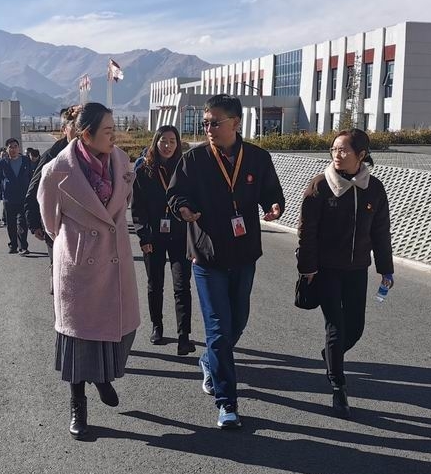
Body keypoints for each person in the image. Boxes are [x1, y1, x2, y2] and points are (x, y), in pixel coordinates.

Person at [167, 94, 284, 430]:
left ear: (235, 123)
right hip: (207, 255)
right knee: (218, 329)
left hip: (244, 254)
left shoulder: (258, 158)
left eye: (214, 122)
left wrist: (274, 206)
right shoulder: (194, 159)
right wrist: (183, 208)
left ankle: (210, 361)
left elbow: (271, 193)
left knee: (237, 322)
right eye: (205, 122)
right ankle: (227, 402)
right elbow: (175, 194)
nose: (208, 128)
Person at [37, 102, 139, 440]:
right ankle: (77, 405)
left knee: (121, 329)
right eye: (107, 131)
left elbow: (124, 203)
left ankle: (102, 377)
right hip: (80, 266)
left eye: (114, 129)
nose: (114, 136)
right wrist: (76, 243)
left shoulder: (121, 160)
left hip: (114, 258)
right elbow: (50, 222)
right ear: (86, 134)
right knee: (77, 341)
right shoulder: (57, 170)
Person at [296, 129, 394, 419]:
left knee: (356, 327)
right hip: (326, 269)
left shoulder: (374, 189)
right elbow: (306, 231)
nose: (337, 155)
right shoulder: (320, 185)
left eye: (343, 150)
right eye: (334, 149)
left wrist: (385, 268)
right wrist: (307, 267)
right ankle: (338, 385)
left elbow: (381, 231)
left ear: (361, 155)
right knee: (335, 327)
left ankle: (331, 354)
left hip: (357, 269)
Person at [132, 125, 194, 355]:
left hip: (180, 235)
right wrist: (143, 236)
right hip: (153, 237)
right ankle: (156, 326)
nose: (167, 145)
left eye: (172, 141)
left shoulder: (185, 169)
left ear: (178, 144)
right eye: (163, 141)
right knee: (155, 284)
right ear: (155, 142)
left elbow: (193, 198)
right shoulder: (144, 170)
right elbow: (137, 208)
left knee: (182, 285)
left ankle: (184, 336)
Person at [26, 105, 81, 250]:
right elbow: (35, 189)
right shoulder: (52, 156)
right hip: (58, 226)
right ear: (64, 129)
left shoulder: (96, 157)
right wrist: (34, 223)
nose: (79, 132)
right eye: (75, 127)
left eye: (83, 127)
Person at [0, 138, 33, 255]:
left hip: (23, 196)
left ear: (19, 148)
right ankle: (13, 245)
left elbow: (31, 176)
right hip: (9, 197)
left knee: (22, 222)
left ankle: (23, 246)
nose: (13, 149)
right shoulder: (2, 163)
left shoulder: (26, 160)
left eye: (15, 146)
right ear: (7, 149)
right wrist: (5, 187)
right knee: (11, 223)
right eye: (10, 147)